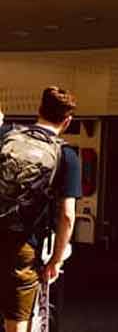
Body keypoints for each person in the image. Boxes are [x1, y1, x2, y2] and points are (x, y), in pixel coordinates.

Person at [0, 88, 81, 332]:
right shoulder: (66, 155)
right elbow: (67, 216)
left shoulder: (6, 135)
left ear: (38, 110)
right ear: (67, 121)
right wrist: (55, 260)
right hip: (24, 245)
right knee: (18, 320)